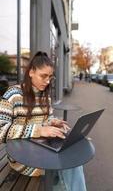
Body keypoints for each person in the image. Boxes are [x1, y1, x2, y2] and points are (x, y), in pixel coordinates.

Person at [0, 51, 87, 191]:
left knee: (72, 159)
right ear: (31, 72)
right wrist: (39, 130)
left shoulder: (45, 98)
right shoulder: (13, 95)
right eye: (43, 76)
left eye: (50, 77)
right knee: (67, 166)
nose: (47, 82)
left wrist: (53, 122)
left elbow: (44, 120)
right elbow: (1, 131)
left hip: (41, 147)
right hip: (22, 156)